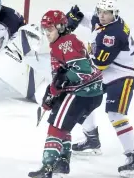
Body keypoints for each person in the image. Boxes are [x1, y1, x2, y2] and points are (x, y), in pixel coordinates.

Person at [66, 0, 134, 177]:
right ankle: (91, 139)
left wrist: (73, 59)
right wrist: (73, 17)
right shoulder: (104, 20)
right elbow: (86, 17)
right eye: (100, 11)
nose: (102, 16)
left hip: (123, 75)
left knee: (115, 114)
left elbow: (98, 64)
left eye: (107, 13)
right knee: (83, 96)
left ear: (114, 14)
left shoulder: (113, 35)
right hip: (109, 73)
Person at [28, 10, 103, 178]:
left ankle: (48, 167)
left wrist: (60, 83)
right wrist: (53, 91)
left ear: (61, 27)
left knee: (56, 126)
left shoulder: (65, 43)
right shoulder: (62, 42)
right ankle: (62, 165)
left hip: (83, 91)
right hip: (89, 91)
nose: (47, 33)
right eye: (45, 29)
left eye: (51, 29)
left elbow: (82, 70)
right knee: (63, 122)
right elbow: (62, 75)